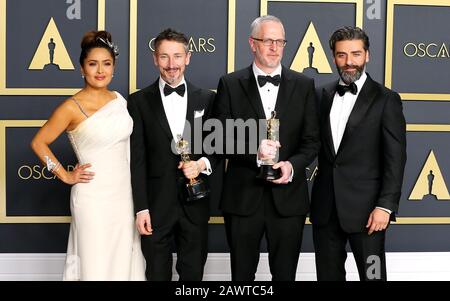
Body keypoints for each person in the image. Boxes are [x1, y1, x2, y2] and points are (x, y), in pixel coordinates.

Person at [31, 31, 145, 280]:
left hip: (124, 196)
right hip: (92, 198)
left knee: (123, 259)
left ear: (114, 67)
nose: (100, 70)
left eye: (106, 64)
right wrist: (64, 174)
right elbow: (39, 143)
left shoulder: (119, 101)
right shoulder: (71, 106)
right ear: (82, 68)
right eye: (93, 64)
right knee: (93, 262)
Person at [213, 15, 320, 281]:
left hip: (288, 200)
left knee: (285, 276)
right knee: (241, 276)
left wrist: (291, 166)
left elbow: (311, 141)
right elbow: (219, 139)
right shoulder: (229, 83)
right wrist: (255, 152)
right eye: (267, 40)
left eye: (279, 41)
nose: (274, 47)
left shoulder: (304, 85)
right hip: (242, 198)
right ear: (252, 43)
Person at [310, 26, 407, 281]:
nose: (349, 62)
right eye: (342, 55)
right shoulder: (321, 95)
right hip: (325, 209)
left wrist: (385, 206)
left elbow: (395, 159)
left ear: (367, 55)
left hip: (368, 214)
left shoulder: (387, 99)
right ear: (333, 57)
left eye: (355, 54)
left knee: (373, 277)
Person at [128, 28, 217, 281]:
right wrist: (141, 208)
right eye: (164, 57)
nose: (171, 64)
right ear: (155, 59)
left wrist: (201, 164)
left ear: (188, 57)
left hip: (196, 204)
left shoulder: (208, 100)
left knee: (193, 275)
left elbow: (217, 149)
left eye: (177, 56)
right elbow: (137, 159)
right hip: (156, 207)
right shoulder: (138, 102)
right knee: (156, 273)